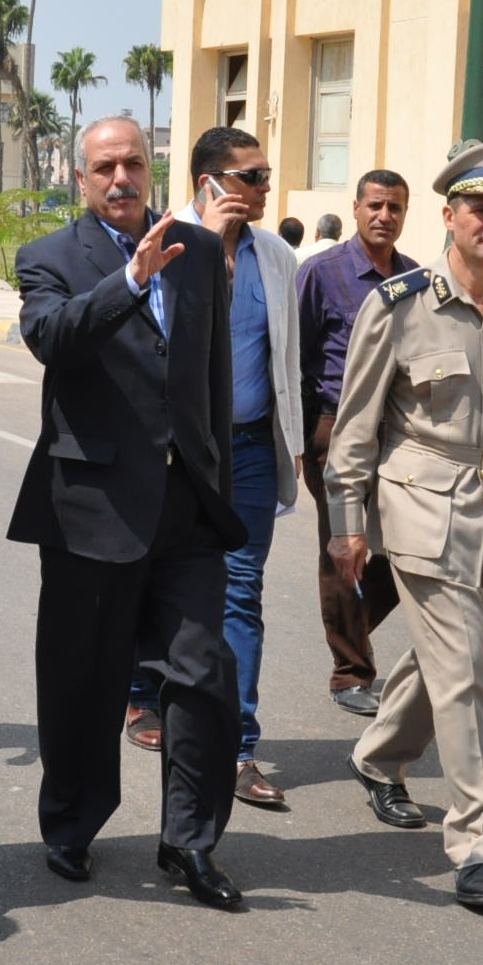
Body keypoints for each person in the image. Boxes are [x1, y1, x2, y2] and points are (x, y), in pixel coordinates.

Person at [326, 141, 483, 911]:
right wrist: (347, 523)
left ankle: (379, 755)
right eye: (481, 210)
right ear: (449, 215)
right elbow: (355, 426)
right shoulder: (398, 305)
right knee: (465, 670)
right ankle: (479, 844)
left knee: (447, 654)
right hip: (420, 503)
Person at [10, 115, 249, 909]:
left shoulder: (201, 250)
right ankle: (72, 823)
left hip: (186, 505)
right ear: (81, 179)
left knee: (203, 673)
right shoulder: (48, 257)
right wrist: (132, 281)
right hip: (94, 504)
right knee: (84, 677)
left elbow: (210, 372)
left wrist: (216, 478)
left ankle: (190, 841)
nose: (121, 178)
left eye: (134, 163)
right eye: (105, 167)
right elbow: (52, 338)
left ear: (152, 170)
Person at [122, 127, 301, 811]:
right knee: (152, 576)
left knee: (240, 590)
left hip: (247, 449)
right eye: (251, 177)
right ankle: (141, 693)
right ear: (210, 183)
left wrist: (293, 438)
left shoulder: (277, 256)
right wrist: (213, 251)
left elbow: (284, 354)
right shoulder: (164, 245)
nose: (264, 188)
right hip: (174, 449)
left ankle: (237, 747)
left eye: (265, 175)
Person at [297, 169, 416, 716]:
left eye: (395, 208)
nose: (384, 216)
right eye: (375, 205)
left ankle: (350, 628)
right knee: (346, 547)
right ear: (356, 208)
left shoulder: (415, 278)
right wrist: (302, 438)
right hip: (335, 429)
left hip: (399, 434)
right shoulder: (321, 273)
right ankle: (350, 674)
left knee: (405, 547)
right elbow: (295, 357)